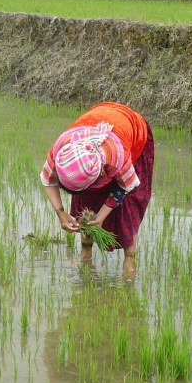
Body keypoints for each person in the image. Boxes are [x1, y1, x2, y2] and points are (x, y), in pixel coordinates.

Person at [40, 102, 154, 277]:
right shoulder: (62, 151)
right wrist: (60, 212)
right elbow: (48, 180)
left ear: (100, 173)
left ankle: (130, 259)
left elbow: (126, 187)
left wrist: (101, 216)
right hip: (95, 124)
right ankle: (85, 254)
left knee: (128, 207)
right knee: (85, 204)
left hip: (131, 132)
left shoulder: (117, 156)